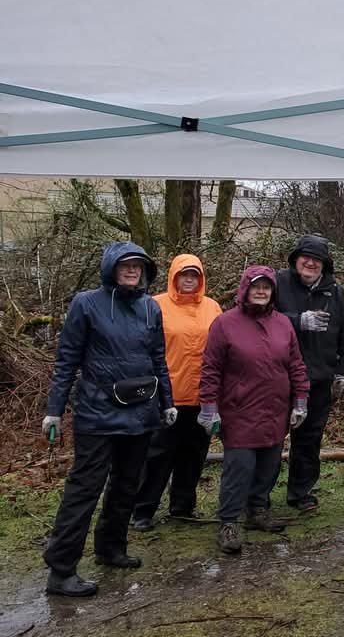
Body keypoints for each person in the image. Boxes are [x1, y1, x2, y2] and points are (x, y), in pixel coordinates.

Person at [40, 242, 175, 597]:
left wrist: (167, 402)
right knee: (85, 489)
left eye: (138, 266)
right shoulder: (86, 303)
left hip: (141, 412)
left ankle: (111, 547)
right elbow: (67, 360)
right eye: (125, 265)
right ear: (111, 268)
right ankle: (61, 568)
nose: (133, 271)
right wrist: (54, 409)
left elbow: (158, 358)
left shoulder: (150, 307)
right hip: (97, 414)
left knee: (127, 483)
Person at [199, 266, 309, 555]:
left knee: (269, 464)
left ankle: (257, 509)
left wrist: (301, 401)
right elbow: (211, 369)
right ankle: (229, 521)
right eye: (256, 286)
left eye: (267, 287)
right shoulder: (225, 324)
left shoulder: (283, 323)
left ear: (273, 292)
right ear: (245, 289)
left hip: (275, 410)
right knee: (240, 468)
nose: (261, 292)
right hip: (239, 410)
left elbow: (296, 364)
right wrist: (209, 408)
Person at [131, 254, 222, 530]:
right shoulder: (155, 305)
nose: (189, 279)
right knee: (158, 456)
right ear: (173, 276)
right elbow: (142, 347)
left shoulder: (212, 307)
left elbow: (222, 349)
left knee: (194, 455)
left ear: (201, 278)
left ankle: (183, 506)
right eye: (184, 274)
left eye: (194, 275)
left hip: (203, 398)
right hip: (166, 397)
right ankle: (142, 510)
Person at [275, 235, 344, 512]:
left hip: (319, 379)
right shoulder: (276, 283)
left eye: (316, 259)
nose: (310, 263)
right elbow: (256, 318)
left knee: (309, 439)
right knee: (271, 437)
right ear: (295, 259)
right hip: (278, 378)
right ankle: (257, 496)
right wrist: (298, 321)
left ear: (324, 265)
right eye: (305, 257)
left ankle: (300, 492)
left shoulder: (336, 293)